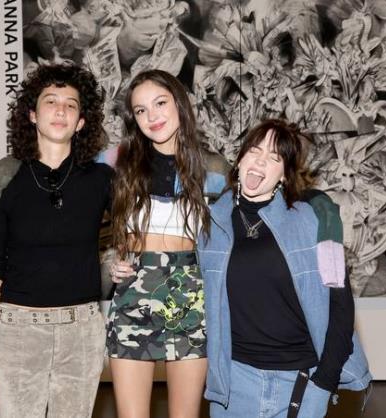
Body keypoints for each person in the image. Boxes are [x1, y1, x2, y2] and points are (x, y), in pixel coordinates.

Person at [197, 119, 372, 418]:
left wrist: (324, 382)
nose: (260, 161)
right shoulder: (212, 224)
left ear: (284, 175)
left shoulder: (317, 220)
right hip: (234, 385)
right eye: (254, 151)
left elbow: (341, 308)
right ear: (240, 160)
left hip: (300, 384)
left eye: (274, 158)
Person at [0, 63, 113, 418]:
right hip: (18, 334)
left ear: (81, 122)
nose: (60, 109)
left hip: (82, 334)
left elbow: (142, 229)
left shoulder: (103, 180)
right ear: (32, 115)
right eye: (51, 101)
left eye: (71, 104)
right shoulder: (3, 177)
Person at [106, 69, 228, 418]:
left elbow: (227, 241)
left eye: (159, 103)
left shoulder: (214, 167)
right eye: (141, 110)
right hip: (133, 291)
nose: (152, 116)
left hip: (191, 293)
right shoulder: (117, 165)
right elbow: (84, 229)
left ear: (179, 104)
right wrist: (110, 261)